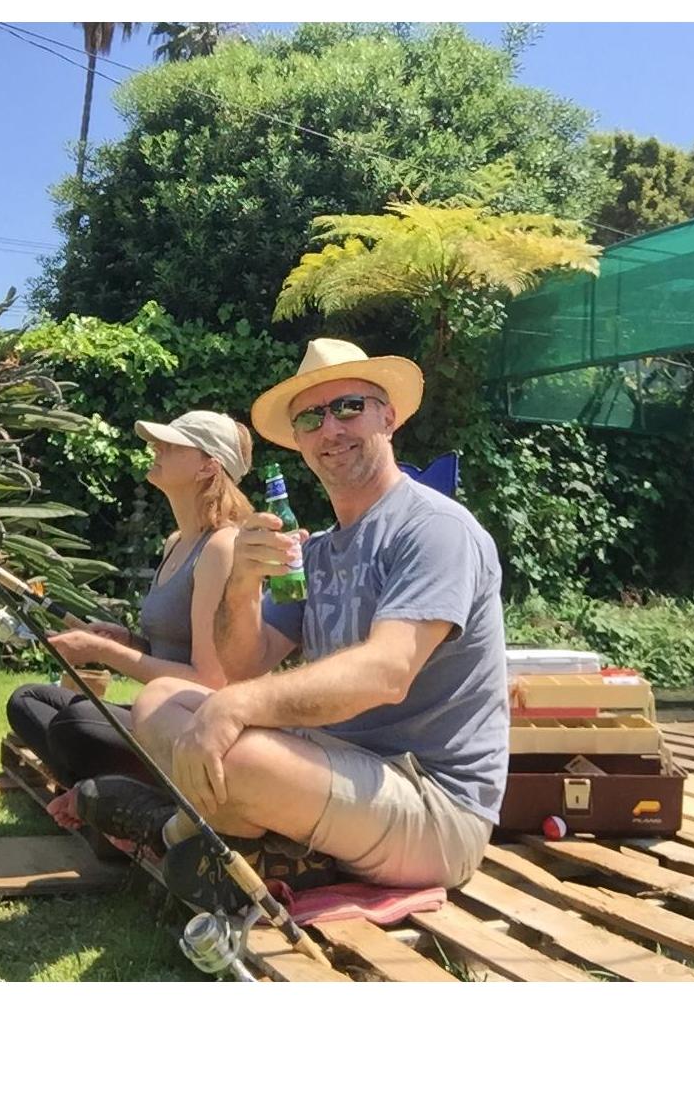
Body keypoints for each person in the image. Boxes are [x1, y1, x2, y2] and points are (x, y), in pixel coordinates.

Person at [74, 338, 508, 911]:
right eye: (311, 417)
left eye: (348, 406)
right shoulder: (320, 551)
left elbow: (387, 672)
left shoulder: (434, 529)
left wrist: (236, 708)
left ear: (389, 416)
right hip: (334, 771)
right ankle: (252, 841)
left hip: (433, 807)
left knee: (232, 746)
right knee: (160, 701)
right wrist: (241, 584)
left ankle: (173, 829)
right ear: (300, 440)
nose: (330, 429)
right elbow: (241, 664)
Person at [5, 410, 253, 826]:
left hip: (193, 727)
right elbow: (171, 648)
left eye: (171, 445)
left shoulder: (221, 547)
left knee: (75, 726)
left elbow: (210, 681)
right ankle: (109, 791)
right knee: (29, 701)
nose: (156, 448)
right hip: (154, 714)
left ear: (208, 465)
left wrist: (103, 651)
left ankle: (128, 795)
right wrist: (128, 642)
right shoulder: (177, 542)